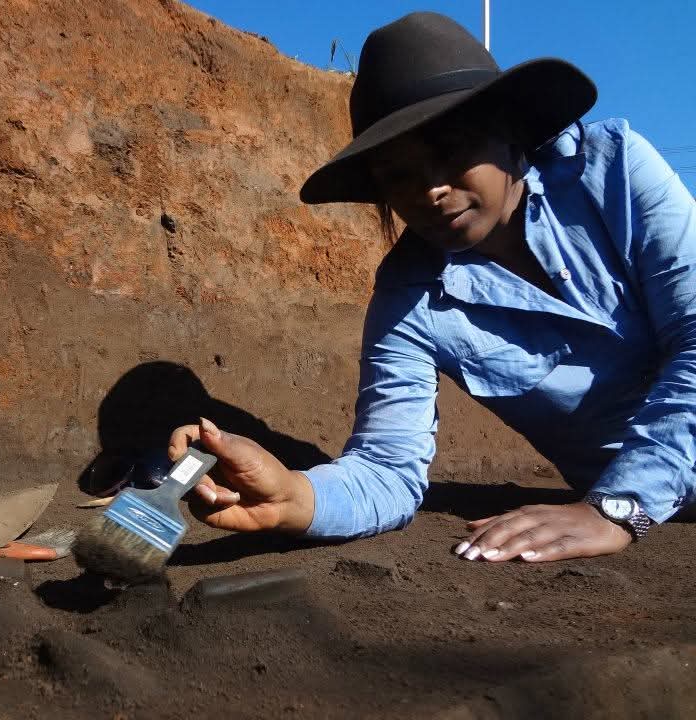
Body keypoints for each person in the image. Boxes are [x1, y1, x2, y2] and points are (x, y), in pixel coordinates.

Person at [168, 12, 696, 562]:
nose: (431, 189)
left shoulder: (612, 174)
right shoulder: (410, 301)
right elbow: (387, 467)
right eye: (398, 174)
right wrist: (293, 497)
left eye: (453, 149)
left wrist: (617, 506)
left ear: (513, 136)